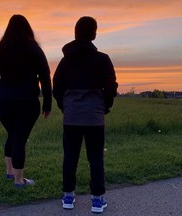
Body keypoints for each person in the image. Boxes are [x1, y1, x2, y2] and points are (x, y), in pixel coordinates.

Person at [53, 16, 118, 213]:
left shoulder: (65, 61)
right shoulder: (102, 59)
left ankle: (68, 197)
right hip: (94, 117)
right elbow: (111, 86)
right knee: (96, 158)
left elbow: (57, 86)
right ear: (94, 34)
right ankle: (97, 201)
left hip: (72, 116)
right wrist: (104, 106)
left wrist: (65, 106)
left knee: (70, 157)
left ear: (75, 33)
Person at [0, 14, 52, 188]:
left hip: (4, 101)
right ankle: (19, 180)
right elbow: (45, 76)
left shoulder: (0, 49)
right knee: (19, 138)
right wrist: (47, 103)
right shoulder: (34, 48)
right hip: (27, 101)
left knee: (13, 135)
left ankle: (10, 173)